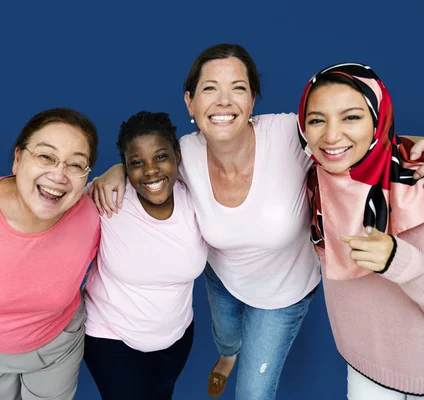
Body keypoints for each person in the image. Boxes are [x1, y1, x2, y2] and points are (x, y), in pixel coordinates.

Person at [87, 44, 424, 400]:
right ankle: (227, 356)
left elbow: (352, 139)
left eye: (238, 87)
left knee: (253, 394)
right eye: (209, 89)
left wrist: (414, 144)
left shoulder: (290, 135)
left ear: (253, 100)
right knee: (226, 333)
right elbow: (149, 163)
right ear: (190, 103)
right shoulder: (183, 152)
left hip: (283, 294)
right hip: (223, 277)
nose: (223, 100)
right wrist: (117, 170)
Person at [0, 108, 100, 400]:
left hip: (59, 346)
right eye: (46, 156)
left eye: (76, 165)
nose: (58, 174)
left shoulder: (93, 215)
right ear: (18, 159)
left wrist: (118, 172)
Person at [297, 63, 424, 399]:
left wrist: (399, 260)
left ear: (378, 119)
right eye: (317, 120)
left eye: (351, 117)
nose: (332, 135)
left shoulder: (418, 182)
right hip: (364, 368)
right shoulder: (312, 186)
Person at [83, 111, 208, 400]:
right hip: (110, 336)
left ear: (177, 156)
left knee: (162, 395)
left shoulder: (196, 197)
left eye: (161, 157)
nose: (150, 170)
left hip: (176, 335)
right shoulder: (108, 199)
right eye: (136, 162)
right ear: (126, 166)